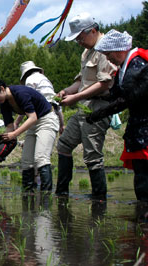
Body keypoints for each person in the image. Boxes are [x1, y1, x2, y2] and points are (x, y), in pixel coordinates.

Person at [55, 13, 117, 199]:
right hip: (84, 107)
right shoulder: (86, 52)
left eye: (80, 37)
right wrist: (66, 91)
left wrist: (75, 98)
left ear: (93, 30)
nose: (79, 42)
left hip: (99, 107)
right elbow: (82, 82)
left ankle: (99, 199)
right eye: (76, 40)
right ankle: (62, 193)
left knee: (92, 156)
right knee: (64, 144)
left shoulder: (105, 48)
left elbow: (104, 84)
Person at [86, 29, 148, 202]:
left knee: (144, 180)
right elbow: (118, 95)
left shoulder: (137, 65)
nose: (108, 59)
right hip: (140, 130)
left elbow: (128, 99)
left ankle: (143, 221)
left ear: (120, 50)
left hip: (145, 130)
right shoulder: (125, 68)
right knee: (141, 176)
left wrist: (99, 114)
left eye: (108, 54)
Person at [0, 78, 56, 191]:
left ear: (2, 88)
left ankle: (46, 197)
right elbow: (9, 127)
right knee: (26, 161)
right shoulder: (4, 104)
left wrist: (14, 134)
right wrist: (4, 138)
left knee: (41, 158)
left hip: (46, 120)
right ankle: (28, 194)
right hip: (33, 124)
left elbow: (32, 117)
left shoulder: (20, 93)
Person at [7, 61, 61, 191]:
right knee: (39, 158)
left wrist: (17, 123)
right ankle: (43, 198)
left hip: (41, 117)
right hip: (50, 114)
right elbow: (56, 104)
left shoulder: (30, 80)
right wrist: (62, 124)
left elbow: (28, 104)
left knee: (36, 159)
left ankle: (31, 195)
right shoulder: (46, 80)